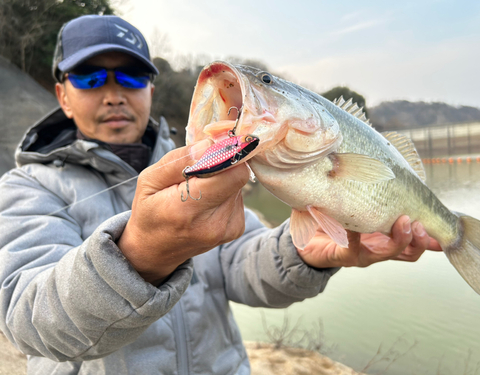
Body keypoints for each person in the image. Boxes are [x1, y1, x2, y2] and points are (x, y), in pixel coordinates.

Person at [0, 15, 440, 375]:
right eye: (91, 76)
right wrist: (139, 255)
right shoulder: (25, 189)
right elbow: (26, 322)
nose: (114, 92)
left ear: (151, 89)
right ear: (63, 94)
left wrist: (305, 254)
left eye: (132, 76)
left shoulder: (209, 166)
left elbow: (240, 264)